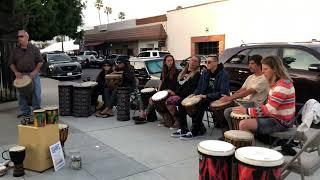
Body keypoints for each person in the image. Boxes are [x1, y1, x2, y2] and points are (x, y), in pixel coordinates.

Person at [172, 55, 230, 140]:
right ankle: (183, 128)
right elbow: (200, 87)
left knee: (200, 104)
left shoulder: (223, 74)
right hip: (205, 96)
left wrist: (206, 96)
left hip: (217, 97)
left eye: (209, 62)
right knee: (182, 102)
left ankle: (196, 130)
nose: (207, 64)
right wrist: (194, 94)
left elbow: (223, 92)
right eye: (206, 62)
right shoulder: (206, 73)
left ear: (216, 62)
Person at [232, 56, 295, 134]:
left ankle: (250, 146)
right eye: (262, 69)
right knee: (246, 118)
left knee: (243, 124)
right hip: (276, 117)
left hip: (281, 122)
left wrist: (246, 110)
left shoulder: (282, 86)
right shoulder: (278, 82)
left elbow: (269, 109)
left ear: (275, 69)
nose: (263, 72)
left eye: (266, 69)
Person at [221, 55, 269, 130]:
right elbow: (242, 90)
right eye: (249, 63)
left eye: (252, 63)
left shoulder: (263, 79)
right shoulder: (250, 77)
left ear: (259, 65)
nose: (249, 66)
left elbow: (248, 92)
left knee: (227, 111)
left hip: (254, 104)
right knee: (224, 107)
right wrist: (231, 96)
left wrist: (230, 98)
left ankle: (233, 133)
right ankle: (230, 133)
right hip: (245, 102)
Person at [134, 54, 179, 125]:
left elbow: (177, 84)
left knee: (158, 100)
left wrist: (171, 91)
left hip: (171, 92)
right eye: (168, 61)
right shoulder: (164, 71)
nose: (170, 62)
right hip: (163, 91)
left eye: (171, 60)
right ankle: (163, 117)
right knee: (152, 99)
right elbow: (161, 82)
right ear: (165, 62)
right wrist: (158, 91)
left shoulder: (176, 72)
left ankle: (144, 115)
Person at [9, 30, 43, 118]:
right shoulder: (15, 50)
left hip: (33, 74)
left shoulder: (34, 48)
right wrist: (16, 72)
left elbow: (40, 61)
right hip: (21, 75)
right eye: (18, 37)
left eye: (21, 36)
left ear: (27, 37)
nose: (19, 38)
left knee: (36, 93)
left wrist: (35, 71)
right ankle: (25, 111)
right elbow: (11, 63)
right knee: (21, 94)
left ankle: (36, 110)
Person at [165, 55, 201, 129]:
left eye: (195, 61)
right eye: (191, 60)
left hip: (189, 96)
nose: (192, 62)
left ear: (198, 64)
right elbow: (177, 85)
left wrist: (179, 95)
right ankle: (177, 120)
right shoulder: (182, 73)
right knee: (168, 101)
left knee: (181, 103)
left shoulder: (197, 75)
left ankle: (183, 127)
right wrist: (174, 92)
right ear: (189, 61)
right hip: (180, 95)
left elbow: (192, 88)